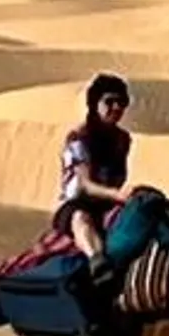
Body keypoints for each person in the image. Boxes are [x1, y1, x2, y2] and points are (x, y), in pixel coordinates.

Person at [56, 73, 136, 260]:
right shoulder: (79, 138)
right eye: (109, 101)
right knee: (81, 218)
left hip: (109, 203)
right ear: (95, 104)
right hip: (77, 203)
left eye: (122, 102)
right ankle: (98, 263)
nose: (116, 107)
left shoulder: (122, 140)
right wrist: (117, 194)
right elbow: (85, 185)